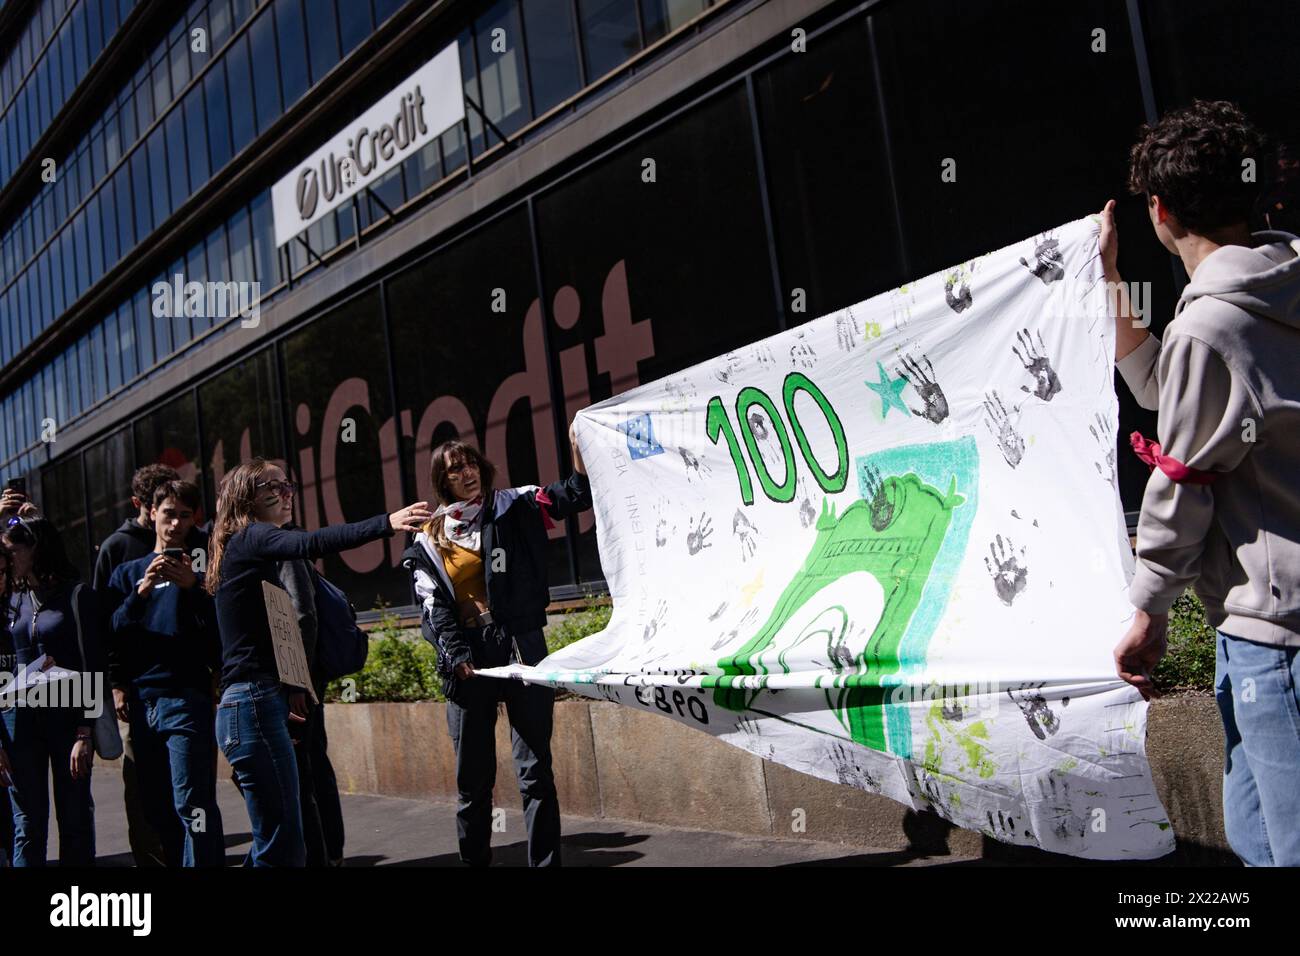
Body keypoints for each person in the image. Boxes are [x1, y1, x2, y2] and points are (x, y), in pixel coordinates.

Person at [1102, 99, 1300, 866]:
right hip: (1264, 623)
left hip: (1274, 627)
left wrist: (1150, 612)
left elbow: (1183, 478)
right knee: (1256, 838)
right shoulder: (1273, 293)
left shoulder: (1211, 328)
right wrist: (1110, 280)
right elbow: (1167, 388)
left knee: (1281, 846)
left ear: (1160, 209)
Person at [205, 458, 430, 866]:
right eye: (273, 487)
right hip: (252, 706)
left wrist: (294, 686)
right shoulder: (250, 537)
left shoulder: (244, 549)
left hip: (258, 701)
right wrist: (386, 522)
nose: (287, 493)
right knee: (283, 842)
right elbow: (310, 543)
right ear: (247, 498)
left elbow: (277, 630)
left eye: (287, 484)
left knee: (280, 838)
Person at [403, 422, 591, 867]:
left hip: (522, 648)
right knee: (473, 783)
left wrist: (577, 446)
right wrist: (458, 657)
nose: (466, 473)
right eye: (454, 470)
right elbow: (433, 610)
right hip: (467, 664)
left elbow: (574, 495)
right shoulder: (429, 537)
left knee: (535, 773)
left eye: (470, 464)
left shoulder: (514, 504)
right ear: (442, 481)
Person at [93, 463, 209, 867]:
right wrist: (140, 593)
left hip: (185, 699)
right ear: (152, 514)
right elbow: (109, 631)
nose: (175, 523)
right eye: (168, 513)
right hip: (143, 704)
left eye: (184, 515)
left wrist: (192, 588)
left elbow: (216, 631)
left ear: (195, 519)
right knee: (157, 807)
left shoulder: (203, 569)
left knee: (192, 803)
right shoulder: (127, 572)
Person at [2, 516, 106, 866]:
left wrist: (85, 730)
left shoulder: (77, 595)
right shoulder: (14, 600)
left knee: (74, 818)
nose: (8, 558)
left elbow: (93, 663)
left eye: (13, 550)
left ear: (37, 549)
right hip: (22, 722)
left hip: (67, 720)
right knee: (28, 822)